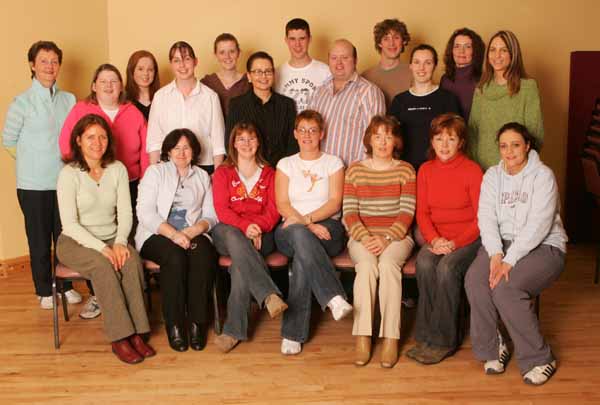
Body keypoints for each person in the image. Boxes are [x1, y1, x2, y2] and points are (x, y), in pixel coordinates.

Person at [465, 122, 567, 386]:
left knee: (506, 289)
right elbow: (485, 218)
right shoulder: (491, 177)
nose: (509, 151)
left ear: (528, 146)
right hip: (500, 246)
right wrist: (497, 254)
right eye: (503, 146)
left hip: (545, 246)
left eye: (516, 145)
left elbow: (539, 225)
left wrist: (509, 261)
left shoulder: (543, 175)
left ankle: (540, 358)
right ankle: (492, 346)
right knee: (474, 280)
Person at [56, 114, 154, 364]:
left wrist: (121, 241)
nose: (97, 142)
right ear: (78, 140)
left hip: (112, 236)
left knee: (131, 260)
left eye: (102, 137)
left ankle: (138, 333)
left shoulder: (117, 169)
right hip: (75, 241)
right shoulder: (69, 174)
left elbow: (125, 212)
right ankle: (120, 337)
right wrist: (102, 249)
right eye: (90, 137)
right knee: (103, 266)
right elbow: (70, 224)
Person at [2, 40, 79, 310]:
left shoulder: (69, 99)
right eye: (43, 61)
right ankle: (45, 289)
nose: (49, 66)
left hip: (64, 182)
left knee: (65, 237)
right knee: (38, 238)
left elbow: (74, 137)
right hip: (33, 184)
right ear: (33, 65)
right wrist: (32, 161)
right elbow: (8, 141)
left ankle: (66, 284)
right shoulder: (21, 102)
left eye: (54, 61)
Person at [406, 113, 482, 365]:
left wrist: (455, 243)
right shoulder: (426, 170)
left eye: (451, 139)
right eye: (439, 138)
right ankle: (425, 335)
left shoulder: (472, 170)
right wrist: (434, 239)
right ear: (432, 141)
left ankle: (445, 340)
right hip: (438, 237)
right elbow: (423, 213)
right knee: (425, 263)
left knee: (448, 268)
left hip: (468, 238)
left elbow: (481, 218)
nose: (444, 145)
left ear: (461, 142)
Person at [275, 109, 353, 356]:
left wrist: (308, 220)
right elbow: (283, 205)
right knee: (300, 236)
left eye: (313, 130)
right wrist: (307, 225)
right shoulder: (286, 164)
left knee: (302, 259)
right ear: (295, 134)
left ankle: (292, 335)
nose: (307, 135)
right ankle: (333, 297)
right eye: (302, 130)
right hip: (291, 229)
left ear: (322, 133)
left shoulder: (333, 162)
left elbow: (334, 202)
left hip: (328, 227)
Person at [136, 128, 218, 352]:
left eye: (186, 148)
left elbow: (211, 215)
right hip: (157, 234)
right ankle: (175, 324)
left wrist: (192, 232)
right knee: (174, 256)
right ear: (168, 151)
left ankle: (197, 323)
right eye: (176, 148)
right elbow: (144, 212)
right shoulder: (155, 172)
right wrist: (173, 234)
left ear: (194, 151)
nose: (181, 153)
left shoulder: (202, 176)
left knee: (203, 253)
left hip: (191, 232)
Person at [343, 115, 416, 368]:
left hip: (397, 237)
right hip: (362, 236)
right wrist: (366, 237)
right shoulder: (355, 169)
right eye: (378, 136)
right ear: (369, 140)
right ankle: (362, 336)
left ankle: (389, 338)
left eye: (388, 136)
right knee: (366, 267)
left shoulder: (405, 169)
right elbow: (350, 213)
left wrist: (386, 238)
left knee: (387, 266)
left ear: (396, 140)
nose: (383, 142)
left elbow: (407, 213)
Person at [211, 122, 287, 353]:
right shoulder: (222, 173)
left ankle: (233, 331)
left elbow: (274, 210)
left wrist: (259, 227)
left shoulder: (270, 173)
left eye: (251, 139)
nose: (246, 144)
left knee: (241, 265)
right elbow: (222, 210)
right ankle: (268, 294)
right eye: (241, 139)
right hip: (229, 232)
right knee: (235, 238)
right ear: (233, 143)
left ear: (258, 142)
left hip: (263, 234)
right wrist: (246, 227)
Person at [59, 63, 149, 209]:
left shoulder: (134, 112)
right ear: (94, 86)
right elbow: (66, 143)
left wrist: (145, 181)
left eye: (114, 81)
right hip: (91, 181)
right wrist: (81, 171)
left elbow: (147, 150)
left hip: (129, 181)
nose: (109, 86)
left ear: (121, 87)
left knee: (128, 225)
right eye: (103, 82)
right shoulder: (80, 109)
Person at [469, 30, 544, 170]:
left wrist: (520, 168)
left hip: (517, 169)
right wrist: (475, 167)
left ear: (513, 54)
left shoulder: (527, 87)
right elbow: (473, 132)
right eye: (492, 50)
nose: (497, 55)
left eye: (503, 50)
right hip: (483, 170)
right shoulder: (481, 89)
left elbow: (536, 133)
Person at [147, 41, 225, 174]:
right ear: (171, 64)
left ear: (195, 62)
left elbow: (218, 144)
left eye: (187, 59)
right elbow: (154, 142)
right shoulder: (160, 97)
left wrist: (216, 177)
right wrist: (155, 176)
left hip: (203, 167)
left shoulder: (210, 97)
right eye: (176, 60)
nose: (182, 65)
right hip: (168, 168)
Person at [308, 39, 385, 166]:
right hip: (319, 172)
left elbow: (376, 139)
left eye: (345, 57)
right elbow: (309, 132)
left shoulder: (369, 92)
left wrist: (357, 172)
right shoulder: (319, 92)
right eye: (334, 58)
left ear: (355, 60)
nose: (339, 63)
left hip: (352, 174)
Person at [389, 44, 460, 170]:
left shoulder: (448, 99)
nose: (421, 68)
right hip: (405, 170)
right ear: (410, 66)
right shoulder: (399, 101)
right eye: (417, 62)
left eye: (427, 63)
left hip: (439, 169)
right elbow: (390, 137)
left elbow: (457, 137)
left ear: (435, 66)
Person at [227, 51, 297, 167]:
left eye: (268, 71)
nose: (264, 76)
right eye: (258, 72)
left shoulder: (287, 105)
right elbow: (229, 143)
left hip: (280, 172)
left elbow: (293, 145)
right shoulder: (237, 105)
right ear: (249, 76)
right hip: (247, 172)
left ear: (274, 74)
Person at [274, 18, 331, 112]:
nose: (297, 44)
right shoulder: (277, 73)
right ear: (286, 40)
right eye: (292, 39)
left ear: (310, 39)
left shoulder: (326, 71)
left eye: (302, 39)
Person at [362, 18, 412, 108]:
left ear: (403, 41)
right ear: (379, 43)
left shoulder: (414, 72)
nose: (391, 43)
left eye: (396, 38)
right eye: (386, 39)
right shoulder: (365, 77)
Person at [201, 33, 250, 119]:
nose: (227, 56)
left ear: (238, 53)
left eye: (232, 51)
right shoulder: (207, 83)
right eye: (222, 52)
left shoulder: (249, 82)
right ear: (215, 55)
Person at [440, 28, 485, 121]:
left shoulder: (483, 80)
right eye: (457, 46)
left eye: (467, 46)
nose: (461, 51)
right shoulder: (445, 79)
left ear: (475, 51)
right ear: (451, 50)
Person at [125, 50, 161, 120]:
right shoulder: (123, 100)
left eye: (150, 69)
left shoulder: (162, 98)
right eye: (140, 69)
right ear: (132, 71)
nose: (145, 74)